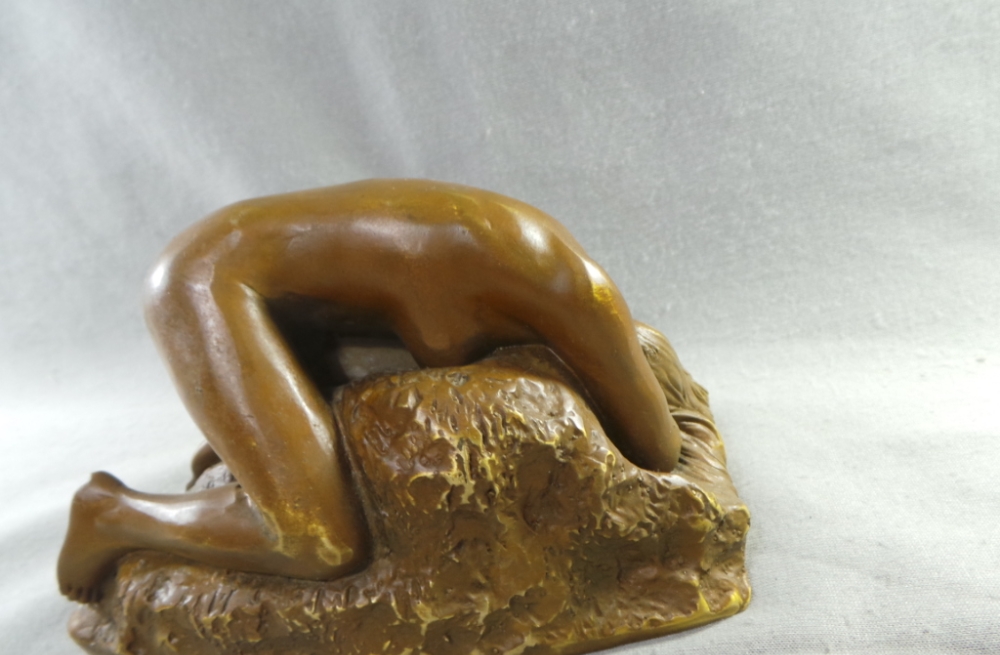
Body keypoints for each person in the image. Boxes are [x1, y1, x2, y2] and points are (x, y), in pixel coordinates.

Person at [58, 179, 682, 602]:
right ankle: (113, 514)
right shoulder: (514, 289)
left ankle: (251, 448)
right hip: (206, 281)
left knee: (315, 460)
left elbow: (654, 440)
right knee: (315, 540)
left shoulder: (546, 268)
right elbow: (655, 446)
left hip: (291, 293)